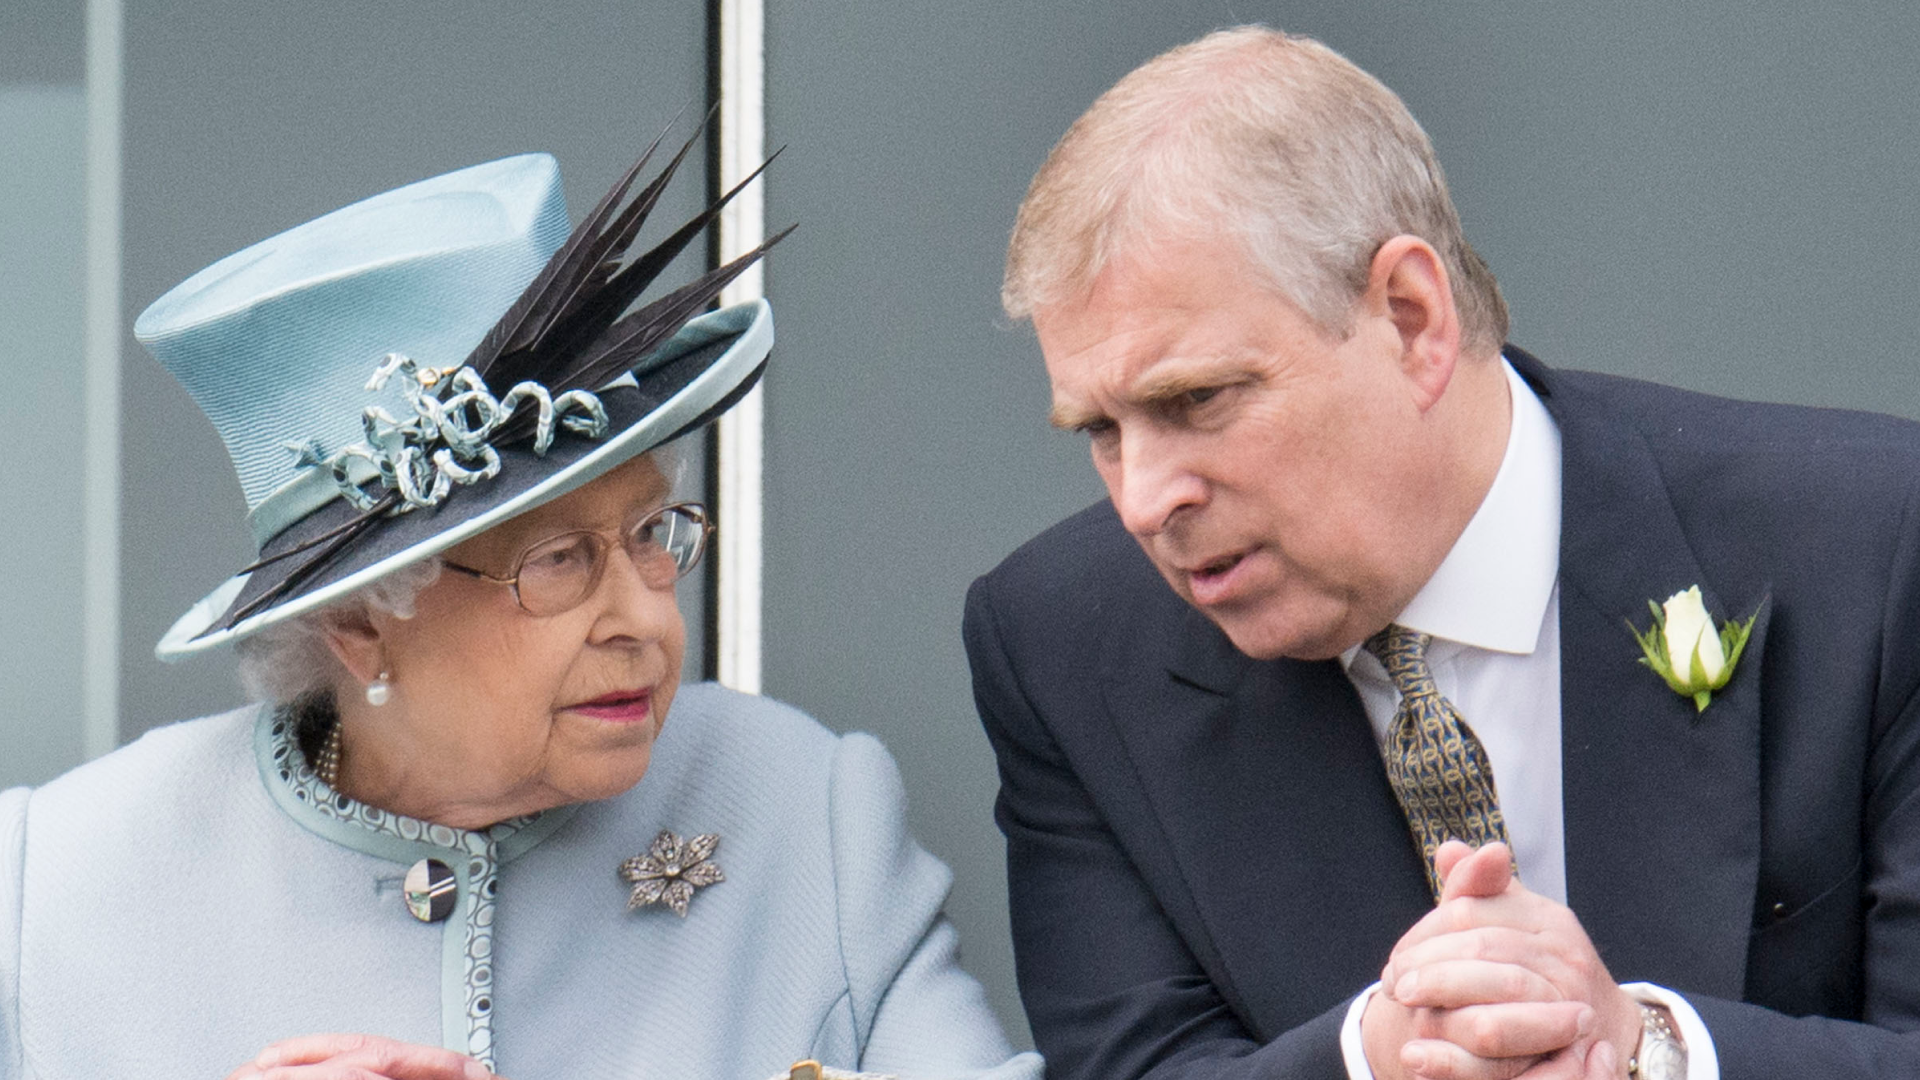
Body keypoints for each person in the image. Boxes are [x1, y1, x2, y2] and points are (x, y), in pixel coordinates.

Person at [964, 23, 1920, 1080]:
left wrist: (1651, 1053)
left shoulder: (1878, 551)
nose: (1145, 499)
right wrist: (1376, 1060)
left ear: (1413, 319)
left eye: (1197, 399)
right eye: (1100, 431)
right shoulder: (1062, 648)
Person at [0, 134, 1041, 1080]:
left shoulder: (803, 810)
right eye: (556, 561)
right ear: (360, 621)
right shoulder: (53, 887)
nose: (643, 617)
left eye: (650, 534)